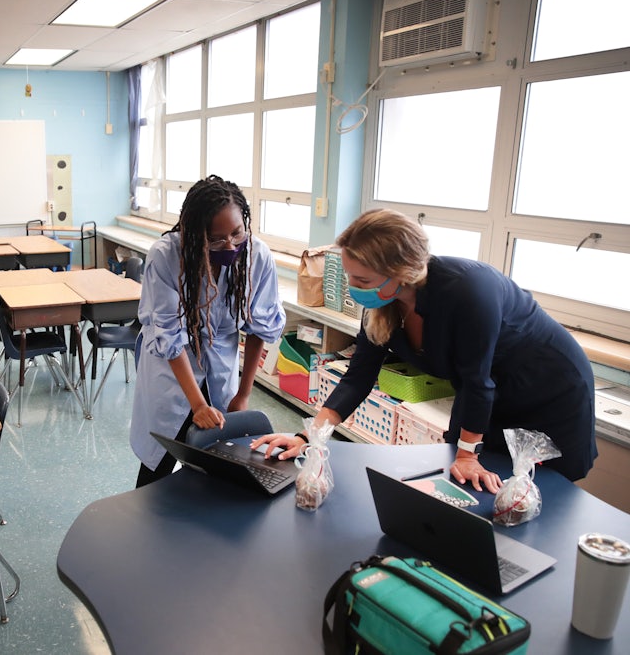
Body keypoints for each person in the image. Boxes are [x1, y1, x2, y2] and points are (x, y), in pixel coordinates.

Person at [253, 208, 596, 491]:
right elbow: (358, 377)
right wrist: (310, 435)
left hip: (546, 389)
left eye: (362, 281)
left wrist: (467, 453)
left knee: (537, 489)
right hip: (482, 392)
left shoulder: (469, 290)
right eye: (350, 276)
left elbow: (479, 381)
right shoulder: (382, 303)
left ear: (400, 272)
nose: (353, 288)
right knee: (465, 481)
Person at [130, 175, 286, 487]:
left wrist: (243, 394)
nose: (230, 245)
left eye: (237, 233)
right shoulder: (166, 256)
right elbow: (170, 338)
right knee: (158, 466)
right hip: (172, 373)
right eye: (216, 239)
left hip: (220, 371)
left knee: (219, 463)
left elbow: (259, 329)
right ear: (193, 234)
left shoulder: (257, 256)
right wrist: (197, 404)